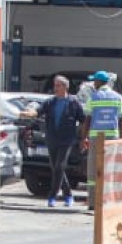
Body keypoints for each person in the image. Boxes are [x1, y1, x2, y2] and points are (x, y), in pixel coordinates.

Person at [35, 73, 86, 208]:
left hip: (67, 140)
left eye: (58, 86)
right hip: (52, 138)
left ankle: (52, 196)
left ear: (65, 87)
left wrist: (82, 138)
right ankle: (68, 195)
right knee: (56, 168)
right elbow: (38, 111)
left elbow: (83, 120)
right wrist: (27, 112)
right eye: (55, 85)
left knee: (59, 166)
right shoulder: (50, 102)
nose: (55, 88)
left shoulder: (73, 102)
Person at [82, 71, 122, 209]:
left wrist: (83, 138)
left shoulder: (93, 97)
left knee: (93, 170)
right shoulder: (118, 97)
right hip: (112, 138)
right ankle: (107, 201)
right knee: (110, 169)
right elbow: (121, 120)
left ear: (99, 82)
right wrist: (121, 139)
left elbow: (87, 119)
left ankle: (93, 202)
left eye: (94, 81)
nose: (93, 84)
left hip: (96, 138)